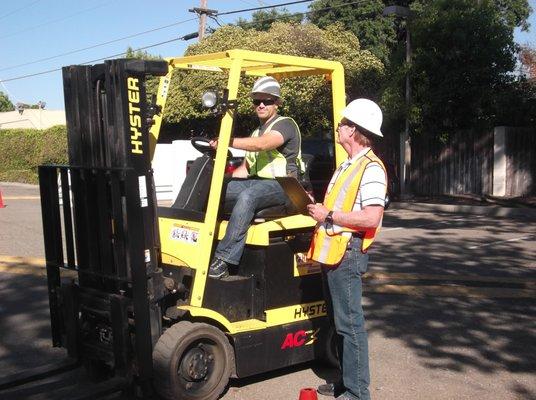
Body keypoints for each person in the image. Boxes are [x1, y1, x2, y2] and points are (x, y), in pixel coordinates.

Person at [306, 99, 387, 400]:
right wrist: (318, 208)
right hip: (333, 252)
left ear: (353, 130)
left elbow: (371, 217)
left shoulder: (372, 168)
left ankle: (357, 392)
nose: (337, 127)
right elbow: (338, 208)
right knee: (338, 323)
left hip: (348, 254)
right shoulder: (346, 165)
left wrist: (328, 215)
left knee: (350, 324)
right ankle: (344, 382)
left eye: (342, 123)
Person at [208, 76, 304, 279]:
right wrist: (221, 183)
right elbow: (245, 169)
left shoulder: (285, 124)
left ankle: (223, 260)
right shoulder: (255, 132)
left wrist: (226, 141)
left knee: (248, 197)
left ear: (277, 103)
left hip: (285, 186)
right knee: (215, 190)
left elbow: (263, 144)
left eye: (267, 101)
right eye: (256, 101)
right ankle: (206, 243)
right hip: (260, 184)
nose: (261, 105)